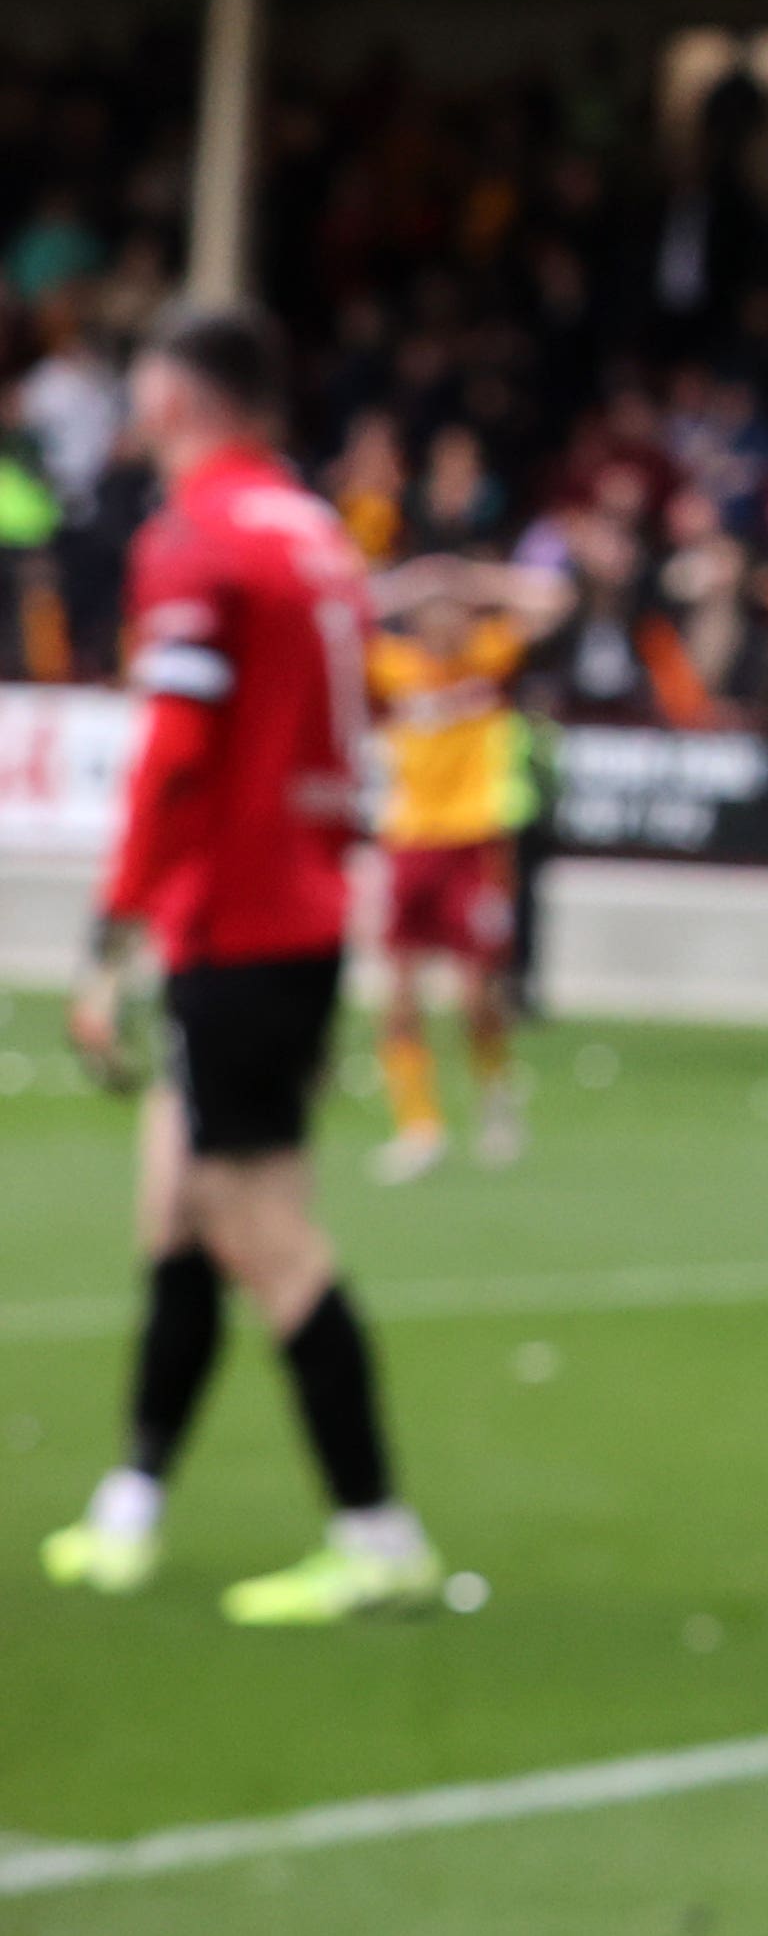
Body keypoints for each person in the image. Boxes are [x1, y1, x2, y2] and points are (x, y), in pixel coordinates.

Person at [34, 306, 449, 1621]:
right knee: (179, 1205)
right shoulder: (314, 531)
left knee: (257, 1226)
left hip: (241, 921)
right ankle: (134, 1499)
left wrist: (111, 930)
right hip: (297, 909)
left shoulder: (200, 539)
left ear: (172, 402)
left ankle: (377, 1527)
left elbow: (174, 751)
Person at [358, 554, 565, 1181]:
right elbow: (345, 615)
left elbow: (555, 600)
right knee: (397, 990)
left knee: (477, 993)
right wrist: (410, 581)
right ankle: (418, 1126)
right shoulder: (393, 668)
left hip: (474, 843)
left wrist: (472, 579)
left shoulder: (490, 657)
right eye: (432, 613)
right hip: (409, 841)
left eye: (455, 613)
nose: (445, 625)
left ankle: (496, 1100)